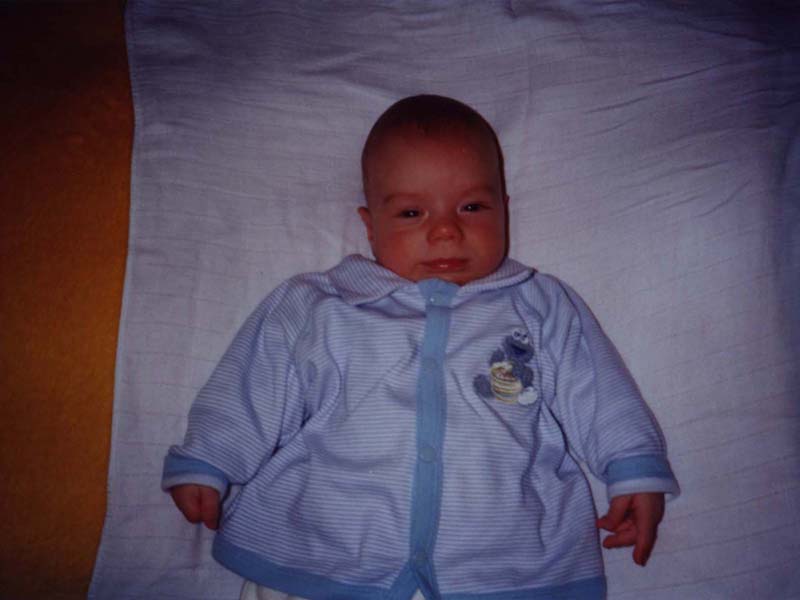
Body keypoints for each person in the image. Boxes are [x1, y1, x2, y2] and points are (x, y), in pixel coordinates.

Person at [163, 95, 680, 600]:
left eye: (472, 207)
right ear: (370, 226)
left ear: (505, 210)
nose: (447, 230)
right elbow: (254, 382)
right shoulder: (321, 304)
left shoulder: (538, 303)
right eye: (412, 213)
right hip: (323, 553)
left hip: (506, 561)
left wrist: (632, 467)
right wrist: (210, 456)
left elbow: (597, 390)